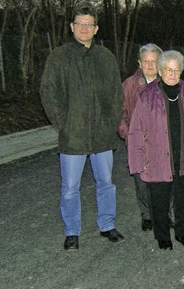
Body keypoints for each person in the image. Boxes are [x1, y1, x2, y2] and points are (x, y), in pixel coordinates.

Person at [40, 2, 124, 251]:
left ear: (96, 29)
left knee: (106, 182)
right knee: (69, 188)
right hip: (73, 136)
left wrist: (110, 124)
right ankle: (72, 231)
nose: (84, 28)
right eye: (80, 24)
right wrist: (64, 123)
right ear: (72, 26)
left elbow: (115, 95)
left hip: (102, 136)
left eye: (89, 24)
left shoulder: (106, 58)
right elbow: (48, 92)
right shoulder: (59, 57)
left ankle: (107, 225)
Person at [127, 50, 184, 250]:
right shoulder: (147, 96)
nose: (172, 74)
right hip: (156, 158)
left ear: (181, 71)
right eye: (168, 70)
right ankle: (163, 237)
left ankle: (183, 234)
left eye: (176, 70)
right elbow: (136, 130)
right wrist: (137, 161)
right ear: (160, 70)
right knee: (159, 201)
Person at [118, 43, 174, 232]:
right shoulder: (129, 85)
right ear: (139, 63)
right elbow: (120, 114)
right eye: (146, 61)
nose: (150, 65)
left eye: (154, 61)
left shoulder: (168, 82)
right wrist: (128, 134)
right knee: (142, 181)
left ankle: (166, 213)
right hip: (138, 143)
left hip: (163, 142)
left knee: (166, 179)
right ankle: (147, 215)